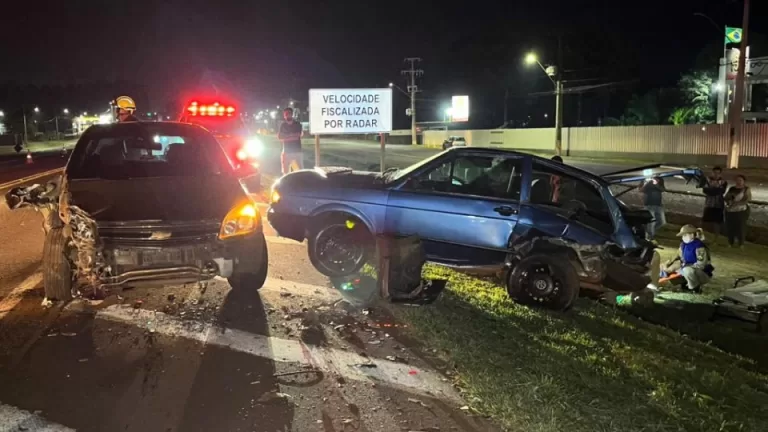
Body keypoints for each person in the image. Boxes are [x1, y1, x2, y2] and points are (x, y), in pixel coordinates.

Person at [661, 224, 714, 293]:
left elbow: (701, 265)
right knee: (673, 269)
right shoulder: (683, 245)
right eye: (683, 236)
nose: (683, 237)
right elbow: (676, 256)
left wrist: (683, 267)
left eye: (685, 235)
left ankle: (695, 288)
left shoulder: (699, 247)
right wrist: (667, 264)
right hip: (689, 269)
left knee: (686, 270)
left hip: (702, 273)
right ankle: (685, 285)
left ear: (692, 235)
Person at [701, 166, 727, 242]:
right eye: (715, 173)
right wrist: (715, 190)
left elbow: (721, 191)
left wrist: (712, 190)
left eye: (718, 173)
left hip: (719, 204)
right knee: (705, 221)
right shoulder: (707, 180)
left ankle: (716, 239)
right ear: (712, 172)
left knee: (717, 222)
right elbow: (705, 190)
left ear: (720, 174)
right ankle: (702, 237)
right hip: (709, 203)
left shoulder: (723, 182)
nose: (716, 174)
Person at [724, 174, 751, 248]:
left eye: (740, 180)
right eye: (737, 180)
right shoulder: (732, 188)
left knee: (741, 227)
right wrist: (729, 202)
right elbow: (726, 197)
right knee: (730, 226)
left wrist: (738, 203)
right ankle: (730, 242)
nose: (738, 182)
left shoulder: (746, 189)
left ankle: (741, 243)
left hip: (741, 210)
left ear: (743, 181)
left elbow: (748, 199)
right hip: (731, 210)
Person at [639, 175, 666, 242]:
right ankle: (650, 238)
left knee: (662, 222)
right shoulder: (644, 179)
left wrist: (656, 183)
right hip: (648, 204)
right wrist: (646, 182)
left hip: (658, 205)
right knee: (651, 223)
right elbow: (641, 190)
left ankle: (647, 232)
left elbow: (662, 189)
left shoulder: (659, 179)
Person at [277, 107, 303, 174]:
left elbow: (297, 136)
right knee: (286, 173)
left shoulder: (297, 124)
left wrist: (286, 136)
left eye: (288, 113)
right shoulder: (283, 125)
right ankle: (288, 184)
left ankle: (298, 184)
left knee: (298, 172)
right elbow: (279, 137)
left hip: (296, 152)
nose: (287, 115)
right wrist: (292, 135)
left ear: (292, 114)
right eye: (285, 114)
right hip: (286, 152)